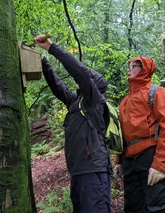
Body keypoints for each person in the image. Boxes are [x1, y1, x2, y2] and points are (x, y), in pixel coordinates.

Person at [34, 34, 111, 213]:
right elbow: (57, 86)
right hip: (78, 171)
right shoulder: (76, 102)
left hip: (94, 171)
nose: (84, 79)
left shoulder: (95, 101)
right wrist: (44, 61)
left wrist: (51, 48)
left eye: (89, 78)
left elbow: (80, 72)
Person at [114, 57, 165, 213]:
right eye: (128, 66)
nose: (129, 69)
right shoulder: (125, 101)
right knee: (133, 208)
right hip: (130, 160)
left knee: (155, 208)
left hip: (151, 156)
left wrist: (159, 165)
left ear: (144, 69)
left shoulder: (157, 93)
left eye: (133, 66)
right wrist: (119, 161)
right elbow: (122, 133)